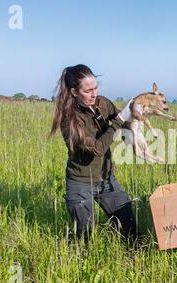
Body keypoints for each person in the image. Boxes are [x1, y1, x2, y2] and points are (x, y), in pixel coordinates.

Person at [50, 64, 136, 243]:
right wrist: (119, 122)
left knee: (128, 227)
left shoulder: (102, 103)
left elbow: (121, 120)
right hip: (80, 183)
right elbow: (97, 148)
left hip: (106, 180)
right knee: (85, 237)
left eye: (95, 88)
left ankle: (136, 259)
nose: (93, 94)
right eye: (87, 90)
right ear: (74, 92)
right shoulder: (69, 119)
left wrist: (134, 133)